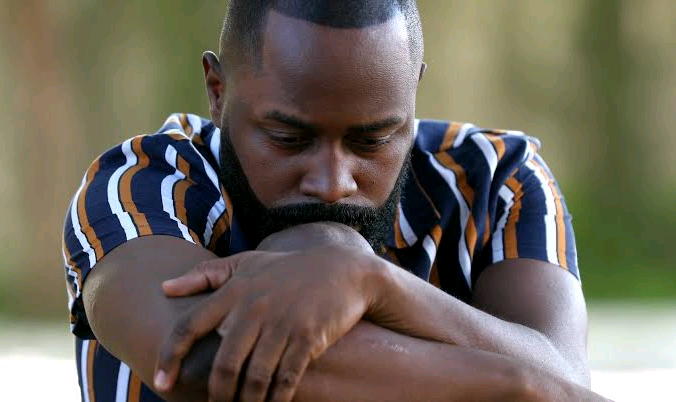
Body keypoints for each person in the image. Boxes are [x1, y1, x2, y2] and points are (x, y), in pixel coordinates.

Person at [62, 1, 608, 401]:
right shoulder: (142, 186)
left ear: (413, 90)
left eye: (372, 141)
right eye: (288, 139)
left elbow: (566, 376)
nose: (332, 183)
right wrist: (519, 384)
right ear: (217, 91)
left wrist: (373, 283)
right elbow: (197, 363)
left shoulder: (496, 183)